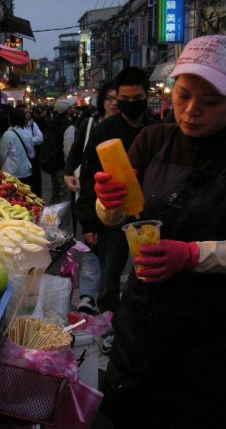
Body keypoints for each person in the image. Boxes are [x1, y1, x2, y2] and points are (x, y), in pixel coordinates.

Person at [95, 35, 226, 429]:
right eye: (183, 96)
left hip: (214, 325)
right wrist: (107, 202)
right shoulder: (151, 140)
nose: (190, 111)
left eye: (209, 101)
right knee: (128, 428)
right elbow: (120, 219)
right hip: (146, 312)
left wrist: (189, 255)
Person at [76, 67, 159, 322]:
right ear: (116, 98)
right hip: (112, 219)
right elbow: (89, 177)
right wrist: (89, 221)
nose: (131, 104)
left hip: (149, 218)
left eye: (137, 99)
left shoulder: (159, 130)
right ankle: (110, 324)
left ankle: (142, 322)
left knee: (150, 276)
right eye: (125, 99)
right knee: (109, 278)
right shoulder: (104, 131)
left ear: (146, 96)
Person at [64, 81, 119, 313]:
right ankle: (87, 296)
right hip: (91, 195)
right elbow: (76, 153)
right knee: (92, 246)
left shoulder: (132, 127)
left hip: (120, 200)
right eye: (109, 98)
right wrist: (68, 173)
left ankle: (109, 303)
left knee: (114, 253)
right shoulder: (89, 124)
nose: (114, 103)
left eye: (119, 98)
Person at [44, 96, 77, 206]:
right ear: (67, 111)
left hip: (54, 165)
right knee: (65, 198)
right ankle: (63, 222)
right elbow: (68, 150)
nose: (73, 109)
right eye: (71, 108)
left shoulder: (52, 123)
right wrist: (70, 168)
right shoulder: (68, 127)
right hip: (63, 167)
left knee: (56, 194)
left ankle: (50, 220)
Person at [0, 107, 33, 185]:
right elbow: (30, 151)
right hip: (25, 171)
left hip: (10, 172)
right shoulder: (28, 133)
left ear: (10, 120)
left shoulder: (8, 134)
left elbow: (0, 155)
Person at [16, 103, 44, 197]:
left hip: (32, 161)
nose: (28, 115)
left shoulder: (33, 125)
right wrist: (30, 139)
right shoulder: (14, 128)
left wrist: (28, 140)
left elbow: (40, 138)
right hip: (20, 162)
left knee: (35, 186)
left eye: (29, 112)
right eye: (26, 113)